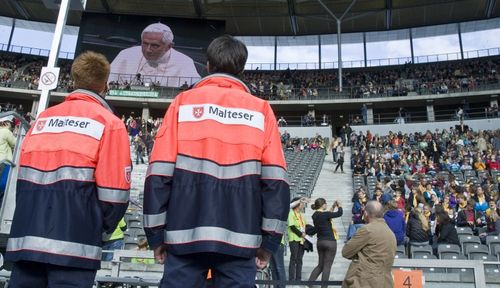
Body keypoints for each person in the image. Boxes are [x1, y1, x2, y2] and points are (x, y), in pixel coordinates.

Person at [142, 35, 289, 288]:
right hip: (241, 241)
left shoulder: (182, 103)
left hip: (183, 237)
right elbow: (275, 181)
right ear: (242, 69)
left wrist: (156, 236)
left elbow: (158, 175)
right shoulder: (261, 109)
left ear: (207, 65)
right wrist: (269, 243)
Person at [5, 51, 131, 287]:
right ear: (105, 84)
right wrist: (99, 231)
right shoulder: (110, 123)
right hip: (75, 245)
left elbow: (22, 181)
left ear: (73, 79)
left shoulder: (42, 120)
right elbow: (115, 194)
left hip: (27, 239)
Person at [109, 23, 200, 87]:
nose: (148, 50)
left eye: (154, 45)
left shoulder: (184, 63)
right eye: (145, 43)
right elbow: (107, 85)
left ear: (169, 46)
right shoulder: (126, 55)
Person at [342, 201, 396, 288]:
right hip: (385, 281)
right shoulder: (390, 232)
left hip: (364, 282)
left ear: (366, 213)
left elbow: (346, 252)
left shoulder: (367, 230)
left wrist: (358, 254)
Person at [308, 198, 343, 288]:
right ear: (323, 205)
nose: (326, 205)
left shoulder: (315, 215)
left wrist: (333, 206)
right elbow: (339, 213)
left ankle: (309, 284)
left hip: (320, 242)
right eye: (326, 204)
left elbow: (327, 215)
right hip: (330, 242)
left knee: (320, 265)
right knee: (327, 266)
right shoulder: (325, 214)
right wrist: (340, 206)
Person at [288, 197, 307, 282]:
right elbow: (292, 227)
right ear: (297, 204)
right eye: (301, 203)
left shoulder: (301, 215)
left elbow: (304, 226)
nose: (303, 205)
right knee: (294, 258)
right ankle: (291, 278)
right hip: (294, 239)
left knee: (300, 259)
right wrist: (301, 234)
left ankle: (298, 278)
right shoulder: (291, 213)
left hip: (301, 239)